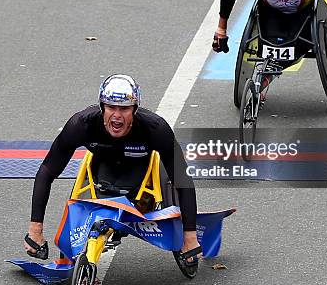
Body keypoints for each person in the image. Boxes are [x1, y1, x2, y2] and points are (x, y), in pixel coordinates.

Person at [24, 74, 201, 265]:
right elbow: (47, 171)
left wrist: (190, 236)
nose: (117, 115)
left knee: (172, 171)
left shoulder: (155, 129)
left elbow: (183, 180)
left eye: (124, 109)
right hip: (102, 175)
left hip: (142, 184)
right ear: (102, 108)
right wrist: (35, 229)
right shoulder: (82, 125)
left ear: (134, 110)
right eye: (111, 107)